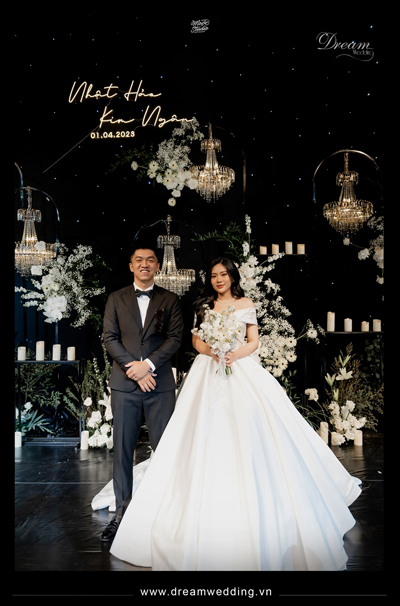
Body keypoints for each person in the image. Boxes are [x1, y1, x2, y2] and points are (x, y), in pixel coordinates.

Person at [94, 256, 361, 570]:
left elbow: (254, 341)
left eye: (223, 274)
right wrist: (211, 350)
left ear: (232, 277)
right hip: (208, 370)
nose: (218, 279)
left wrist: (234, 353)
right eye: (213, 275)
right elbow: (195, 339)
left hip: (239, 368)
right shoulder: (204, 306)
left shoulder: (246, 304)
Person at [100, 242, 184, 542]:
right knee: (123, 450)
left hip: (159, 385)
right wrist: (133, 369)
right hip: (125, 385)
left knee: (165, 450)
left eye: (150, 260)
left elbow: (175, 338)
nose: (145, 264)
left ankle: (165, 514)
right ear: (131, 266)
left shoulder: (170, 299)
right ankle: (122, 514)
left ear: (157, 266)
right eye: (139, 260)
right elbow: (109, 338)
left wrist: (147, 365)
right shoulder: (116, 298)